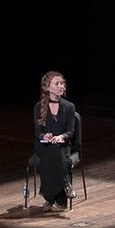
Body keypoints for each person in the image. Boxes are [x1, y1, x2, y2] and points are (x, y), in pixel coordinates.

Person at [33, 71, 77, 210]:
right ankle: (66, 185)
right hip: (44, 146)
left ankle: (50, 199)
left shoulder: (69, 107)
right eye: (57, 83)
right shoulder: (39, 107)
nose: (60, 86)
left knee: (56, 150)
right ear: (47, 87)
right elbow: (38, 133)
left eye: (62, 83)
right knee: (52, 150)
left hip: (63, 145)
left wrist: (60, 137)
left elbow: (70, 132)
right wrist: (44, 137)